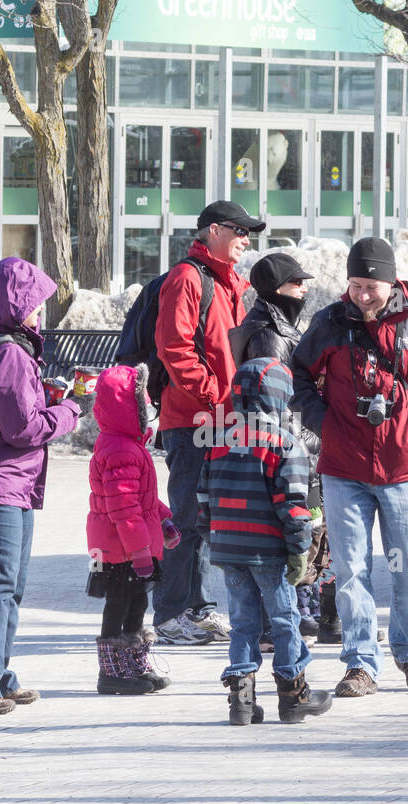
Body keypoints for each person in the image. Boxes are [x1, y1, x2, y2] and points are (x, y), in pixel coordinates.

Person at [291, 237, 408, 697]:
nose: (362, 295)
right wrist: (323, 422)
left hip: (403, 468)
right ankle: (361, 662)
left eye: (371, 285)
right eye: (355, 285)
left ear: (391, 282)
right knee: (349, 569)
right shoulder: (329, 322)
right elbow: (300, 374)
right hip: (343, 467)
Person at [0, 257, 82, 715]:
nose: (40, 313)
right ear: (15, 303)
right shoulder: (8, 352)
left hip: (9, 481)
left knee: (10, 585)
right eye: (35, 303)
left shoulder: (4, 346)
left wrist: (49, 398)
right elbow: (21, 429)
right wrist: (69, 414)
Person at [151, 200, 263, 645]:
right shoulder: (187, 278)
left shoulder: (229, 281)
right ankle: (170, 612)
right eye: (240, 230)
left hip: (218, 418)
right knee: (184, 516)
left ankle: (196, 607)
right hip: (193, 419)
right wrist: (216, 396)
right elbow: (175, 348)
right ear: (212, 230)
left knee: (205, 518)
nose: (246, 239)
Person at [197, 357, 331, 724]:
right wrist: (300, 548)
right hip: (268, 550)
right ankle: (293, 694)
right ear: (280, 396)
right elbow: (292, 506)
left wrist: (213, 538)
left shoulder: (218, 439)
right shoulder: (285, 444)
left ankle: (241, 701)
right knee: (285, 618)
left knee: (243, 623)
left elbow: (204, 498)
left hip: (229, 549)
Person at [231, 252, 326, 647]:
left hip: (293, 443)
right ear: (275, 288)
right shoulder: (268, 333)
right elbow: (271, 400)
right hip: (287, 448)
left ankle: (306, 609)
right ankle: (283, 619)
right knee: (294, 527)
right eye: (295, 282)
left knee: (311, 528)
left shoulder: (278, 323)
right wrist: (306, 443)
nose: (303, 289)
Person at [86, 363, 179, 695]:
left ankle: (133, 664)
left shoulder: (130, 445)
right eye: (144, 400)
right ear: (128, 406)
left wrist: (164, 519)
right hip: (119, 547)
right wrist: (141, 550)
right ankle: (112, 672)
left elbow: (143, 498)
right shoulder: (119, 449)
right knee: (120, 601)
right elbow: (123, 508)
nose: (150, 406)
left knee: (137, 602)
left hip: (132, 544)